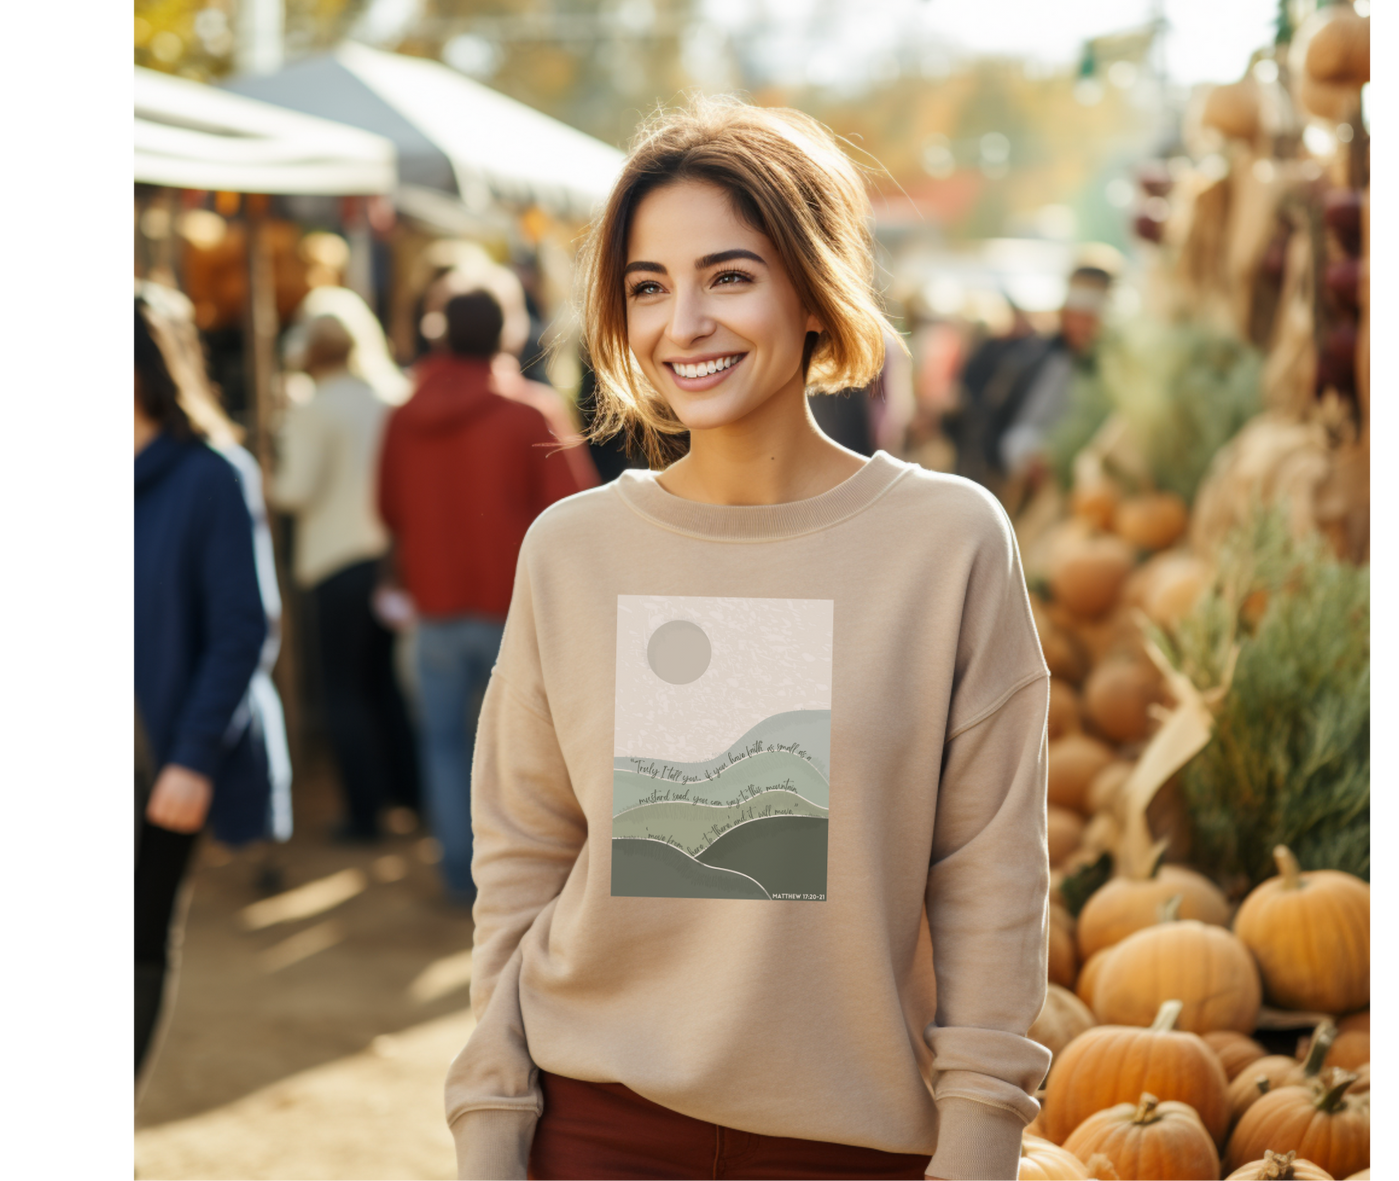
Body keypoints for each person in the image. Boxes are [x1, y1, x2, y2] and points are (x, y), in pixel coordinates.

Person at [445, 97, 1051, 1181]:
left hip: (855, 1141)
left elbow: (989, 872)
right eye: (646, 286)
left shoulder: (947, 541)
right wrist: (491, 1120)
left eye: (728, 275)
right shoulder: (572, 549)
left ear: (814, 290)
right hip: (594, 1125)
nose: (683, 322)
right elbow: (524, 854)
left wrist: (981, 1138)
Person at [131, 283, 290, 1103]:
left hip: (162, 755)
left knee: (138, 936)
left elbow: (244, 629)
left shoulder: (213, 474)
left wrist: (191, 759)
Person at [377, 290, 588, 902]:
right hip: (514, 610)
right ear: (507, 333)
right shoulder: (531, 413)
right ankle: (515, 883)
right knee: (520, 754)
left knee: (443, 743)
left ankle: (459, 877)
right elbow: (571, 513)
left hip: (433, 605)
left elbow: (388, 508)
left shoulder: (404, 415)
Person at [270, 311, 419, 840]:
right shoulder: (389, 397)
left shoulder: (314, 409)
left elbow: (295, 490)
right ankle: (410, 795)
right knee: (386, 686)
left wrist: (272, 466)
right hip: (385, 560)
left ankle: (364, 812)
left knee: (343, 691)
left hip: (334, 564)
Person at [965, 267, 1113, 493]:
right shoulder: (1036, 360)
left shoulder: (1115, 369)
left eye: (1090, 318)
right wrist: (1027, 458)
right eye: (1076, 316)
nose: (1082, 327)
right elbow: (1008, 425)